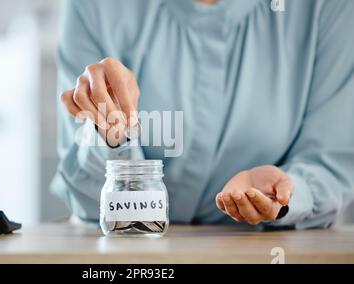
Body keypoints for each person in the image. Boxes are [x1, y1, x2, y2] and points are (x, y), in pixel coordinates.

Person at [52, 0, 354, 229]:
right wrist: (112, 136)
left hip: (259, 250)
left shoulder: (327, 9)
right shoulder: (96, 7)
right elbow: (89, 197)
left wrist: (284, 192)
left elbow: (331, 163)